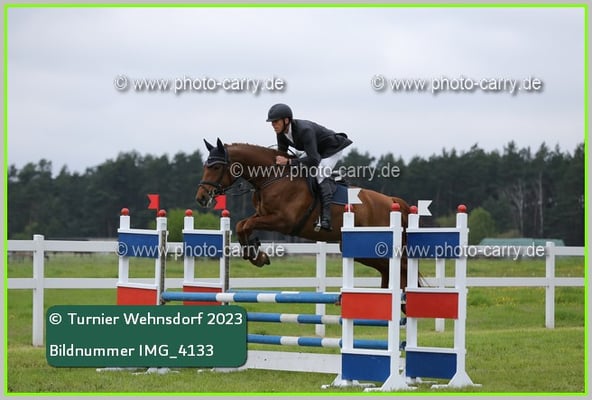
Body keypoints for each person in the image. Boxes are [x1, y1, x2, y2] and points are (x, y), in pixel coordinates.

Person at [266, 103, 352, 231]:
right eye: (272, 122)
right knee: (298, 169)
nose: (273, 125)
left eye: (275, 121)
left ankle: (326, 219)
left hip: (331, 148)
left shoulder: (304, 130)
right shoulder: (281, 133)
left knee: (319, 174)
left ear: (286, 120)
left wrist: (289, 162)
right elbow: (282, 155)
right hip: (316, 151)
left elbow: (313, 160)